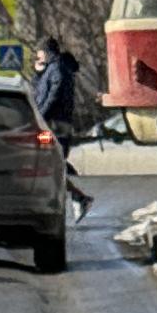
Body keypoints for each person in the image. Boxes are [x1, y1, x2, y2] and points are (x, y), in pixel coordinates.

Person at [32, 37, 91, 221]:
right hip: (55, 123)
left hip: (55, 124)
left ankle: (77, 196)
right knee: (50, 162)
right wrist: (38, 73)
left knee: (49, 162)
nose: (38, 56)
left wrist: (40, 116)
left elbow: (53, 96)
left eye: (39, 53)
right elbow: (42, 92)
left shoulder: (57, 68)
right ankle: (75, 195)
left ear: (46, 52)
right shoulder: (54, 68)